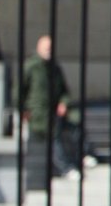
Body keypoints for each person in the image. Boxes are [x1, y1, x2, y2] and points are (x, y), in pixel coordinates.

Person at [19, 35, 77, 179]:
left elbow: (64, 91)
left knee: (72, 127)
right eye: (46, 47)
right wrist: (23, 110)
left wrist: (63, 103)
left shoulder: (55, 68)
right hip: (37, 113)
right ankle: (64, 168)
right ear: (39, 48)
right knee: (53, 139)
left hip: (53, 113)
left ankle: (82, 156)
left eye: (50, 48)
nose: (49, 50)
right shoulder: (31, 66)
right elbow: (20, 90)